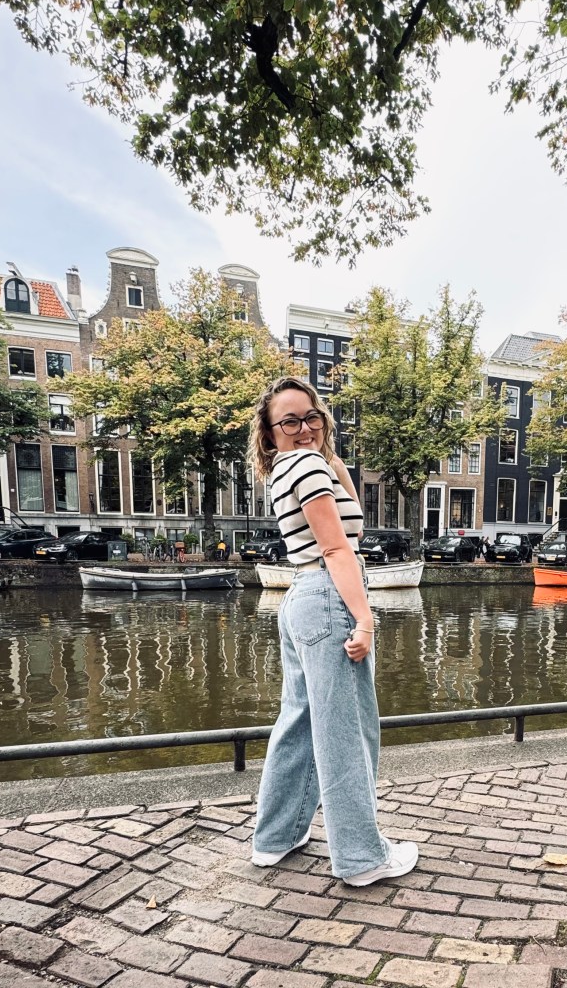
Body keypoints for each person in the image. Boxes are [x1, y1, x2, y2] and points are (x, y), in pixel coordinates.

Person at [247, 375, 418, 886]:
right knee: (347, 733)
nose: (303, 428)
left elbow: (354, 525)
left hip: (301, 600)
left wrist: (329, 452)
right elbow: (340, 548)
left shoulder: (289, 466)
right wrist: (364, 618)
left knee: (299, 721)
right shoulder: (304, 463)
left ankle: (275, 837)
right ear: (270, 432)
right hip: (329, 597)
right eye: (290, 421)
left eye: (311, 416)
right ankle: (362, 858)